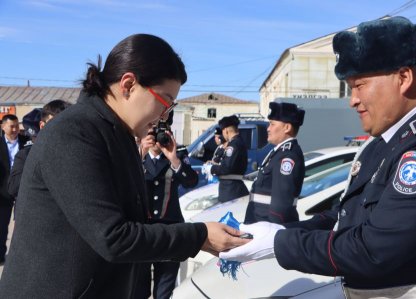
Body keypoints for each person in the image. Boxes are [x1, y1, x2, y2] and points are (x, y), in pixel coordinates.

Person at [0, 34, 247, 298]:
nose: (164, 116)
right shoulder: (75, 133)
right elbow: (113, 237)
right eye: (164, 101)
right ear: (128, 84)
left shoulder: (117, 135)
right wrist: (199, 236)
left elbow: (133, 223)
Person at [221, 17, 416, 298]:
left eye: (359, 85)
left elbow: (372, 250)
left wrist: (280, 243)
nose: (351, 99)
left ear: (403, 78)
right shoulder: (388, 142)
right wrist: (278, 231)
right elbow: (346, 217)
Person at [136, 113, 198, 299]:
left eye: (162, 133)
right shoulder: (135, 156)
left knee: (164, 287)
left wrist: (173, 158)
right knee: (139, 285)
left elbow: (191, 181)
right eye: (153, 133)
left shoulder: (177, 156)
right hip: (143, 229)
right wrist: (140, 154)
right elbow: (122, 181)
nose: (157, 139)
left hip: (170, 228)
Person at [244, 102, 305, 224]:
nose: (268, 128)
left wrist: (273, 231)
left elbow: (281, 204)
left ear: (287, 128)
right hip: (260, 221)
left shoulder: (288, 156)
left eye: (272, 124)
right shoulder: (278, 152)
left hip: (268, 225)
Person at [8, 100, 71, 199]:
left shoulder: (74, 154)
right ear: (42, 126)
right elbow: (13, 187)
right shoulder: (25, 155)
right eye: (55, 124)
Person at [0, 114, 28, 264]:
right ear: (3, 127)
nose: (15, 129)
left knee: (22, 225)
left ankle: (19, 258)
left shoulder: (27, 143)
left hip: (22, 189)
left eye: (17, 126)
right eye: (12, 126)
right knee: (1, 226)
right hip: (2, 192)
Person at [203, 115, 249, 203]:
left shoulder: (234, 144)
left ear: (226, 130)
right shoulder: (237, 142)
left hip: (231, 189)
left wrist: (211, 169)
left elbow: (226, 168)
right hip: (231, 187)